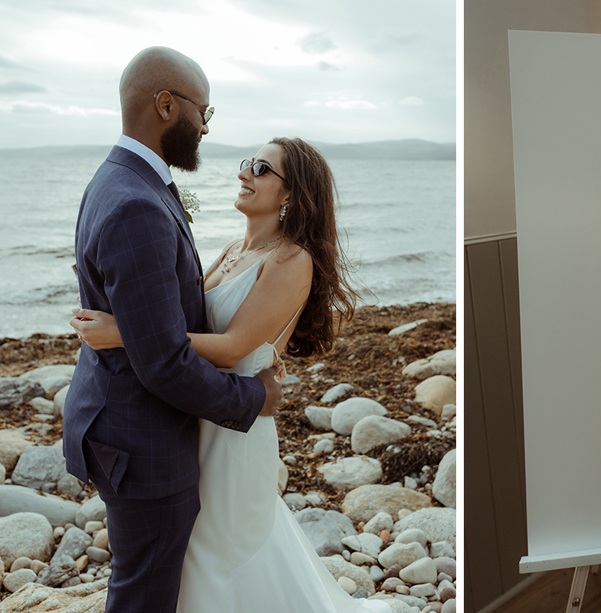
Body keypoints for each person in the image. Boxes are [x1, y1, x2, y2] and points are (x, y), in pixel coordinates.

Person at [72, 137, 391, 613]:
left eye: (261, 168)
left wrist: (123, 332)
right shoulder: (230, 251)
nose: (245, 173)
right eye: (247, 162)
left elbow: (231, 348)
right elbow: (177, 321)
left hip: (237, 428)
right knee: (196, 548)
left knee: (224, 549)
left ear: (291, 195)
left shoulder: (290, 259)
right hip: (201, 413)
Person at [64, 47, 283, 613]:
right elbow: (163, 361)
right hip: (143, 443)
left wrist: (126, 327)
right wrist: (254, 396)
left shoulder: (116, 179)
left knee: (144, 584)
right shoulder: (137, 201)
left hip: (120, 424)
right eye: (202, 113)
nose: (206, 129)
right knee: (143, 597)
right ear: (166, 105)